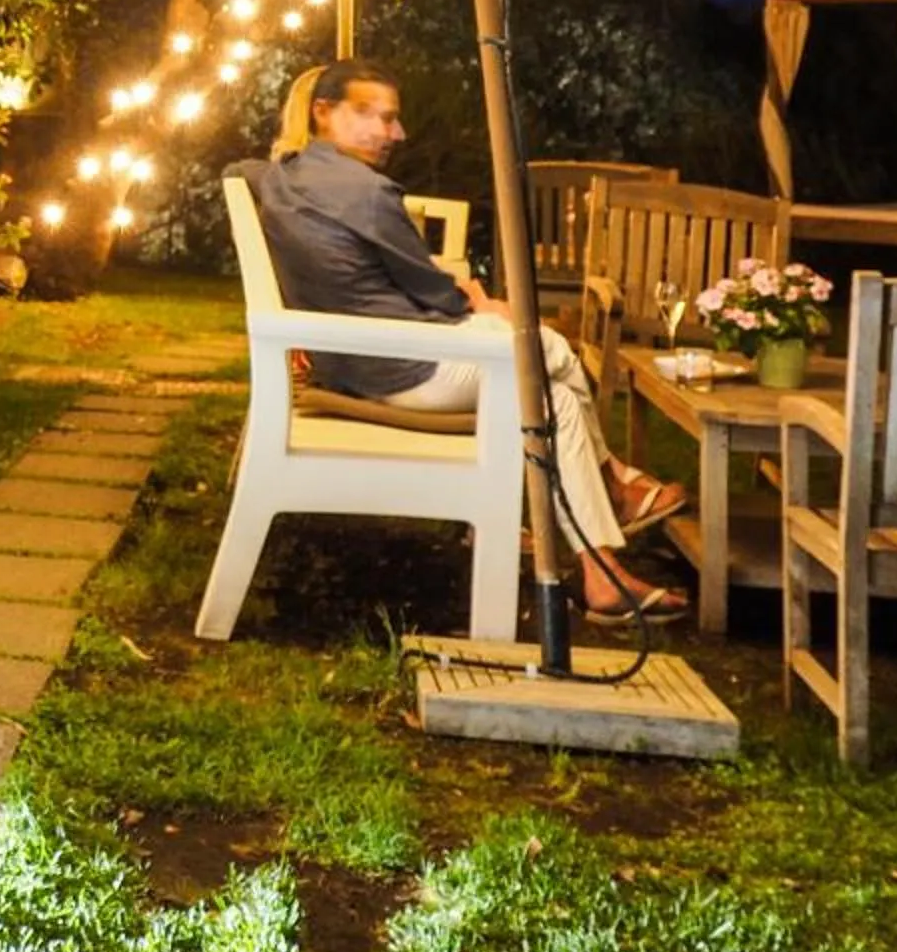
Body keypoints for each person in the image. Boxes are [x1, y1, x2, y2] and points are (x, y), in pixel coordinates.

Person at [247, 59, 692, 623]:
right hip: (400, 369)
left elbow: (249, 172)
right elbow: (430, 288)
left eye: (393, 118)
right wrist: (479, 302)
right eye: (374, 117)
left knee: (552, 402)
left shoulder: (282, 173)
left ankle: (603, 573)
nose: (394, 133)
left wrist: (467, 300)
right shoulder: (366, 191)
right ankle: (612, 484)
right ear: (322, 111)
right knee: (549, 349)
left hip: (358, 357)